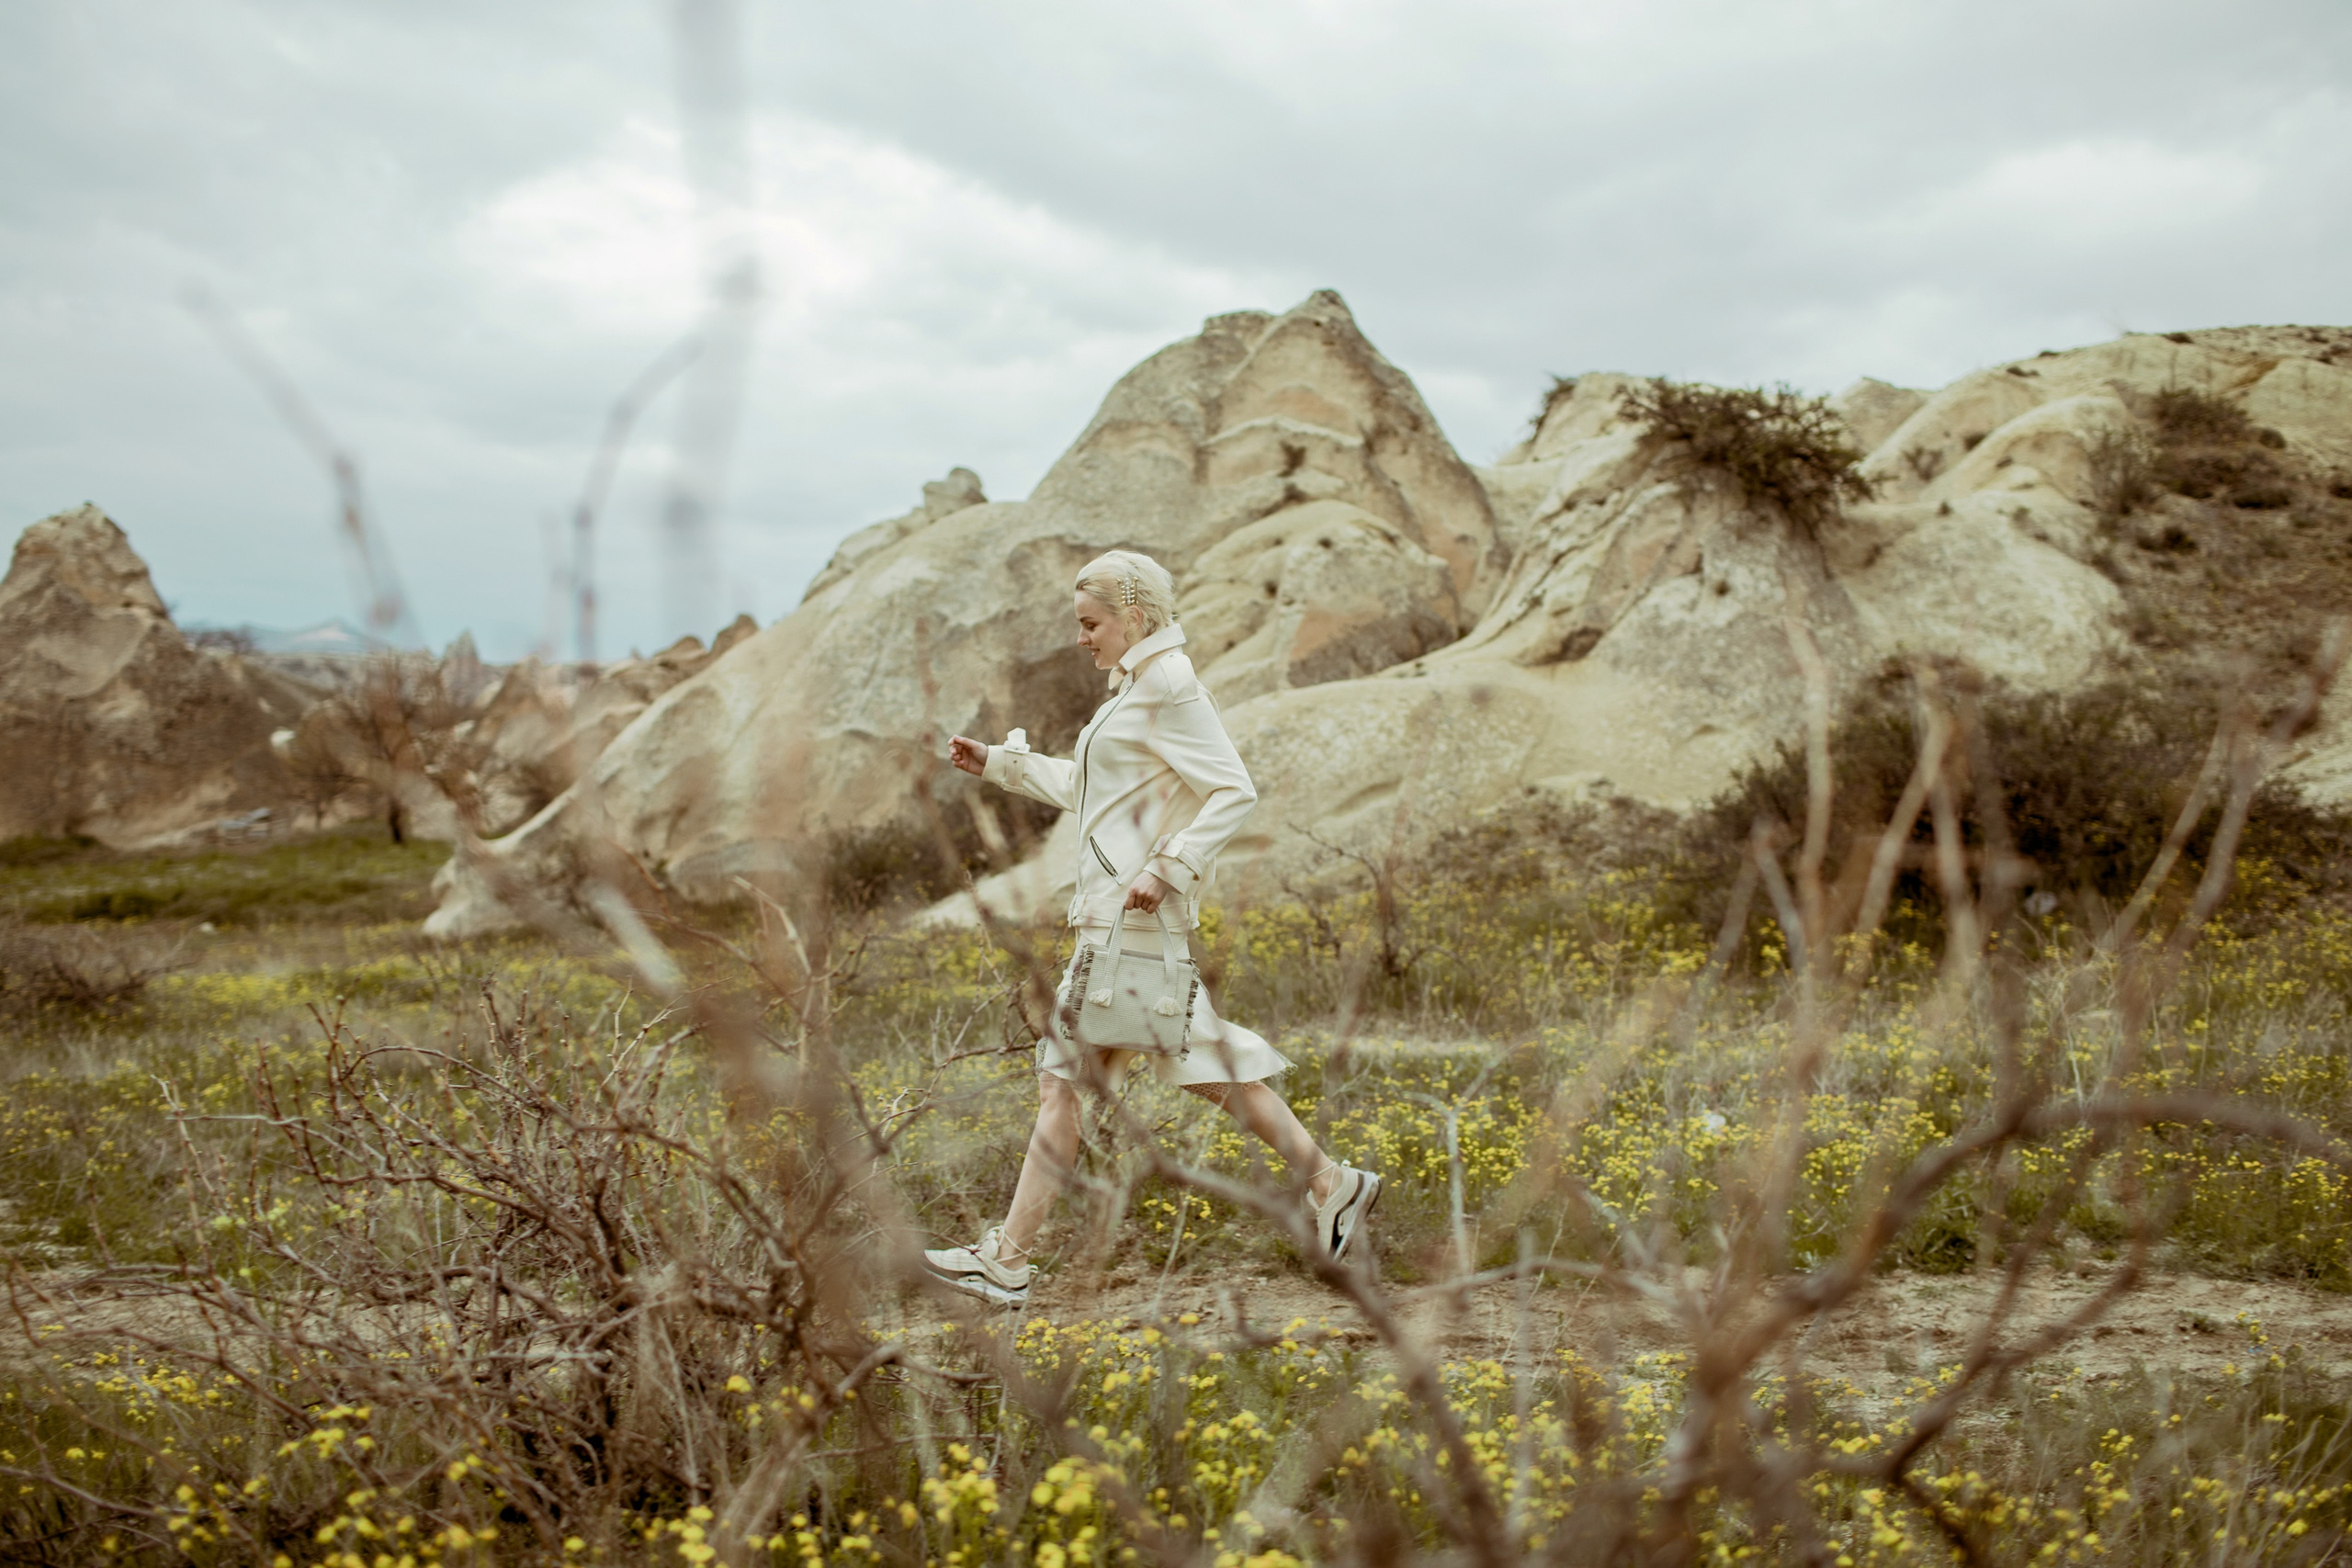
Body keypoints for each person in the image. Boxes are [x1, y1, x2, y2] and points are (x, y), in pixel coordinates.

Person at [921, 549, 1381, 1308]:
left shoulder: (1169, 684)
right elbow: (1089, 786)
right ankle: (1333, 1183)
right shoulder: (1137, 687)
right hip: (1122, 919)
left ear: (1133, 614)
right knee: (1188, 1069)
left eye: (1090, 622)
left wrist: (1168, 865)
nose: (1082, 638)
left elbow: (1235, 790)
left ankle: (1006, 1259)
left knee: (1063, 1082)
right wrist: (1000, 765)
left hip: (1131, 920)